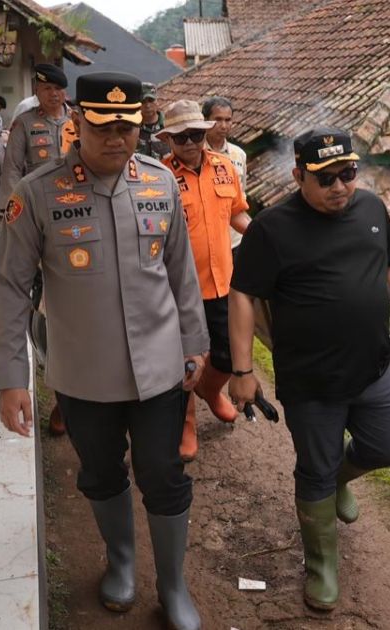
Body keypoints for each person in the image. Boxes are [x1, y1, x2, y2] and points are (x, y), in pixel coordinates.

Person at [0, 71, 207, 630]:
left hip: (158, 370)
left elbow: (182, 276)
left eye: (128, 126)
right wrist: (12, 375)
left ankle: (174, 585)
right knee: (101, 472)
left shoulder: (160, 184)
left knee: (164, 473)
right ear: (78, 121)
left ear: (140, 125)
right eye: (104, 125)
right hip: (83, 374)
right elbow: (11, 285)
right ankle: (121, 562)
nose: (117, 137)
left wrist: (195, 345)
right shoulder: (36, 193)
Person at [227, 126, 390, 611]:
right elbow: (243, 295)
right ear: (298, 176)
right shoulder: (272, 229)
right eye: (325, 178)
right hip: (311, 383)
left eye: (347, 174)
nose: (339, 187)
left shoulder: (372, 208)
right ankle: (321, 568)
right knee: (314, 468)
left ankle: (340, 480)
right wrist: (243, 370)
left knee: (387, 447)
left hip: (373, 369)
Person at [158, 100, 251, 462]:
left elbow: (238, 214)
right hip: (180, 289)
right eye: (181, 138)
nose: (191, 144)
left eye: (196, 135)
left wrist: (265, 237)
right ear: (169, 141)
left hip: (222, 283)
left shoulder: (226, 168)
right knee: (184, 360)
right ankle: (187, 422)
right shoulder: (160, 177)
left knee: (227, 357)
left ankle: (211, 392)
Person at [0, 64, 78, 209]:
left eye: (58, 88)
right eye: (47, 88)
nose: (53, 93)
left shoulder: (79, 121)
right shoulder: (24, 123)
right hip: (39, 200)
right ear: (37, 91)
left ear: (65, 92)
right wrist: (10, 206)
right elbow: (12, 167)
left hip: (76, 197)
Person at [202, 96, 248, 256]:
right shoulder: (194, 153)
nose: (223, 126)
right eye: (218, 119)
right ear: (205, 120)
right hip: (206, 242)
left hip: (235, 241)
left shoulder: (239, 155)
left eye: (228, 120)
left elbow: (241, 196)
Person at [137, 82, 169, 161]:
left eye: (151, 100)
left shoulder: (169, 126)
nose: (147, 105)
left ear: (157, 101)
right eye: (143, 102)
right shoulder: (132, 129)